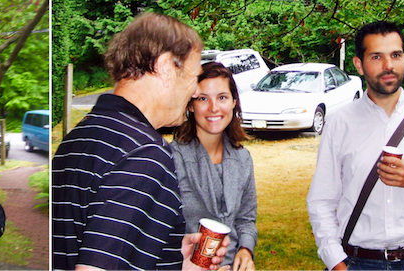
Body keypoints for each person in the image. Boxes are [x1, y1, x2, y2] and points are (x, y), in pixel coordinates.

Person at [52, 13, 229, 271]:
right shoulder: (144, 154)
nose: (195, 92)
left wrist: (167, 255)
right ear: (167, 67)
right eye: (194, 77)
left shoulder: (78, 138)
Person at [307, 21, 404, 271]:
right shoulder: (340, 124)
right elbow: (321, 200)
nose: (389, 66)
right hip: (358, 263)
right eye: (377, 57)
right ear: (359, 65)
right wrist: (336, 262)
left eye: (396, 55)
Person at [171, 62, 258, 271]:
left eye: (222, 97)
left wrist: (245, 250)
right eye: (203, 98)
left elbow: (246, 220)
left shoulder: (243, 159)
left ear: (234, 102)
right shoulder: (172, 159)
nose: (213, 107)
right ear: (190, 105)